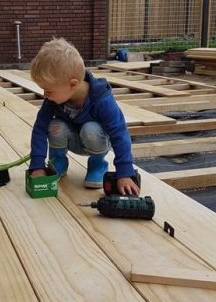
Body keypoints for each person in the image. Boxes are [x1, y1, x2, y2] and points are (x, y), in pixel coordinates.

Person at [28, 37, 140, 195]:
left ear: (72, 84)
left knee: (91, 129)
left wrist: (125, 172)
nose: (45, 95)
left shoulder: (101, 99)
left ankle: (97, 165)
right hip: (72, 139)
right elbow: (39, 129)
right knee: (55, 125)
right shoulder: (53, 99)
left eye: (49, 90)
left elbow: (119, 132)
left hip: (95, 141)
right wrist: (37, 165)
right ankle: (58, 161)